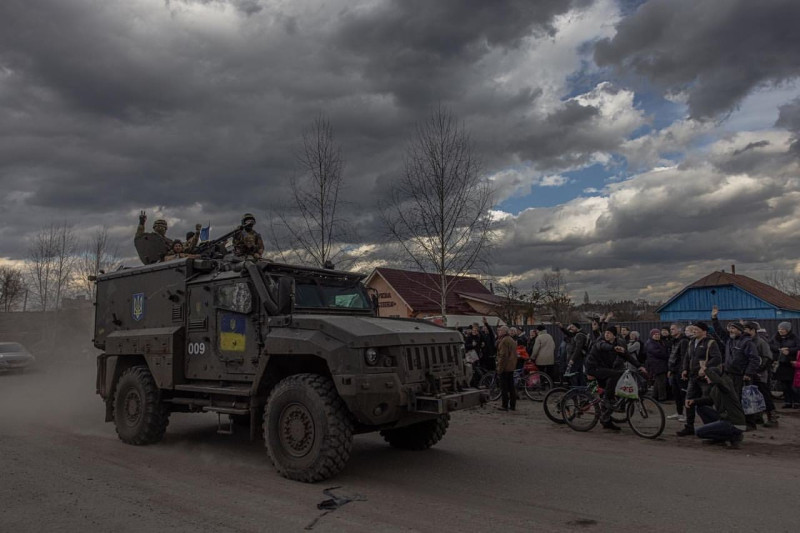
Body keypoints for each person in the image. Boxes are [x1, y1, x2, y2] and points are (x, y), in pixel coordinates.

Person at [585, 326, 646, 431]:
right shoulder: (601, 341)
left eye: (609, 333)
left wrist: (639, 366)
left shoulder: (617, 344)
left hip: (603, 369)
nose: (606, 334)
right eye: (606, 332)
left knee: (607, 393)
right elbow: (603, 346)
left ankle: (606, 421)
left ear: (614, 335)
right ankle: (607, 400)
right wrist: (613, 348)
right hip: (593, 368)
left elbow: (627, 356)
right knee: (614, 377)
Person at [677, 321, 722, 437]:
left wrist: (705, 368)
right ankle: (689, 426)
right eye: (693, 329)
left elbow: (717, 358)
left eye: (696, 329)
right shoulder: (691, 342)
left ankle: (711, 427)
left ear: (704, 331)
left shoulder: (711, 343)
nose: (694, 331)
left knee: (706, 402)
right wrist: (684, 369)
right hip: (693, 377)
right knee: (689, 401)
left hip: (704, 378)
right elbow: (687, 357)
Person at [687, 367, 746, 448]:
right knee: (701, 408)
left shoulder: (726, 384)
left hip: (733, 422)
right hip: (725, 419)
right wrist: (694, 401)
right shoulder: (715, 388)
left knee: (698, 432)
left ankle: (733, 437)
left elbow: (719, 382)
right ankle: (719, 438)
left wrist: (706, 370)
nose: (705, 377)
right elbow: (710, 400)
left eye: (707, 376)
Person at [744, 321, 778, 426]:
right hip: (749, 373)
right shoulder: (746, 341)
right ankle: (757, 418)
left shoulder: (760, 342)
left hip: (760, 375)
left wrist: (758, 371)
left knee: (765, 395)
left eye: (745, 330)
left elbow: (767, 358)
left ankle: (772, 418)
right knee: (752, 396)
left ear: (753, 330)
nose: (743, 332)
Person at [770, 322, 799, 408]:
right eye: (779, 329)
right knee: (784, 385)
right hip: (781, 364)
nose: (780, 330)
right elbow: (770, 345)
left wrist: (789, 350)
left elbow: (798, 347)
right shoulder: (776, 337)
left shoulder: (794, 337)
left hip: (790, 364)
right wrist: (779, 349)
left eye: (783, 329)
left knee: (792, 385)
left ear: (788, 329)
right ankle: (787, 402)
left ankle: (796, 402)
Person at [667, 323, 690, 421]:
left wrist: (683, 371)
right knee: (676, 394)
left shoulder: (683, 341)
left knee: (683, 394)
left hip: (680, 372)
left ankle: (687, 415)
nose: (671, 330)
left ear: (679, 330)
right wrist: (670, 370)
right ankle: (679, 413)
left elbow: (683, 357)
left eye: (673, 329)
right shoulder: (674, 341)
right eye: (670, 329)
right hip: (673, 371)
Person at [495, 326, 518, 412]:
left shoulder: (504, 341)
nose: (498, 332)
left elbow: (503, 356)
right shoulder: (511, 340)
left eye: (500, 330)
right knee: (511, 387)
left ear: (504, 332)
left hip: (505, 367)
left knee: (504, 387)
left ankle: (504, 405)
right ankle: (512, 405)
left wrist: (499, 368)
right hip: (511, 367)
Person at [645, 329, 669, 402]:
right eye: (655, 335)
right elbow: (659, 353)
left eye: (658, 334)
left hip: (658, 365)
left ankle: (654, 396)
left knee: (658, 381)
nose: (657, 336)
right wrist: (667, 355)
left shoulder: (657, 342)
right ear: (652, 335)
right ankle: (662, 398)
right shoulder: (651, 343)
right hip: (657, 365)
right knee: (662, 381)